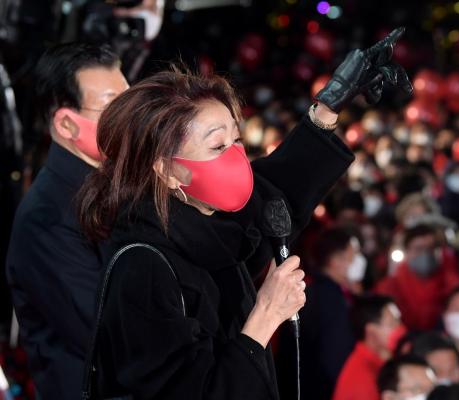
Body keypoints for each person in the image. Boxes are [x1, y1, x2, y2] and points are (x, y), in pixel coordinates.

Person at [77, 29, 412, 399]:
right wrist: (266, 315)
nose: (236, 156)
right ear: (167, 170)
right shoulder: (143, 269)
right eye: (217, 145)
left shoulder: (214, 227)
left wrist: (328, 108)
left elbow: (278, 192)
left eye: (236, 140)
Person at [5, 42, 128, 399]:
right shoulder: (45, 220)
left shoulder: (121, 185)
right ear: (66, 124)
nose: (130, 116)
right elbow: (106, 336)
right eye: (112, 106)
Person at [288, 227, 365, 399]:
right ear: (335, 260)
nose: (359, 261)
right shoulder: (329, 299)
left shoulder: (320, 290)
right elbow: (335, 355)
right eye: (354, 255)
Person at [376, 224, 459, 331]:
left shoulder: (452, 283)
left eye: (431, 248)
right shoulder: (390, 287)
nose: (426, 254)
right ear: (407, 252)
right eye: (419, 249)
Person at [333, 294, 405, 400]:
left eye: (399, 320)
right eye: (392, 323)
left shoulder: (385, 360)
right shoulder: (362, 381)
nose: (401, 328)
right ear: (371, 331)